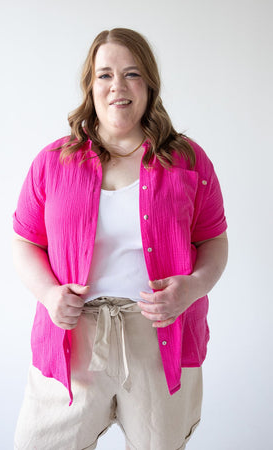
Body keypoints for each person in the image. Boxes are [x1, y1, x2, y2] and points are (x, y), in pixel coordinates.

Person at [13, 28, 228, 450]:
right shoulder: (53, 163)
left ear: (149, 84)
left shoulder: (188, 161)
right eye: (105, 74)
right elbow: (25, 241)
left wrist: (193, 289)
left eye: (131, 74)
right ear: (90, 85)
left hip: (159, 339)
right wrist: (49, 293)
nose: (118, 87)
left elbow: (214, 241)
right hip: (72, 338)